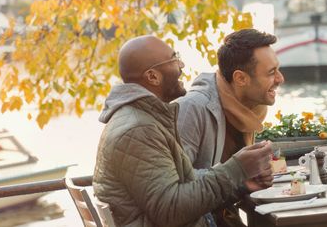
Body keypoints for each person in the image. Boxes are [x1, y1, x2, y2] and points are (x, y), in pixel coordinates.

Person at [93, 35, 274, 227]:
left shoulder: (141, 120)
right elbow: (172, 210)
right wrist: (237, 168)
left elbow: (183, 183)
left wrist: (240, 184)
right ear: (153, 77)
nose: (181, 66)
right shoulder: (139, 130)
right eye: (174, 59)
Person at [177, 29, 283, 226]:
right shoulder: (192, 109)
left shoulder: (247, 109)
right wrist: (239, 175)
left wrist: (244, 183)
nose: (280, 79)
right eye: (271, 73)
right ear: (241, 78)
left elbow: (223, 181)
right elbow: (178, 187)